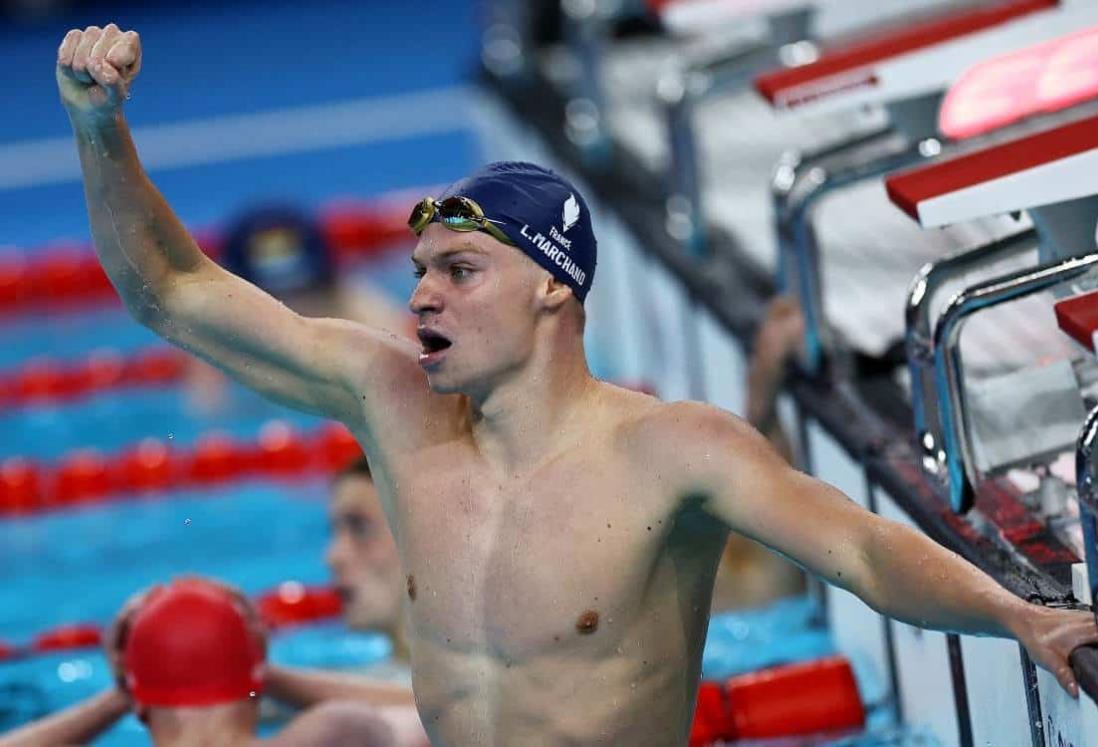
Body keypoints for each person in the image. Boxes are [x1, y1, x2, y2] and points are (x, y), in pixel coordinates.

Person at [57, 24, 1098, 745]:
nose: (423, 300)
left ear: (556, 291)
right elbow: (170, 292)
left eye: (460, 274)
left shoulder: (669, 451)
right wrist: (99, 128)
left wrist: (1020, 615)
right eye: (420, 274)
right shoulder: (389, 399)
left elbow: (864, 549)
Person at [0, 578, 404, 746]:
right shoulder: (332, 732)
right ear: (256, 679)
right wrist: (264, 669)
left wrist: (118, 696)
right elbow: (438, 707)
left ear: (139, 702)